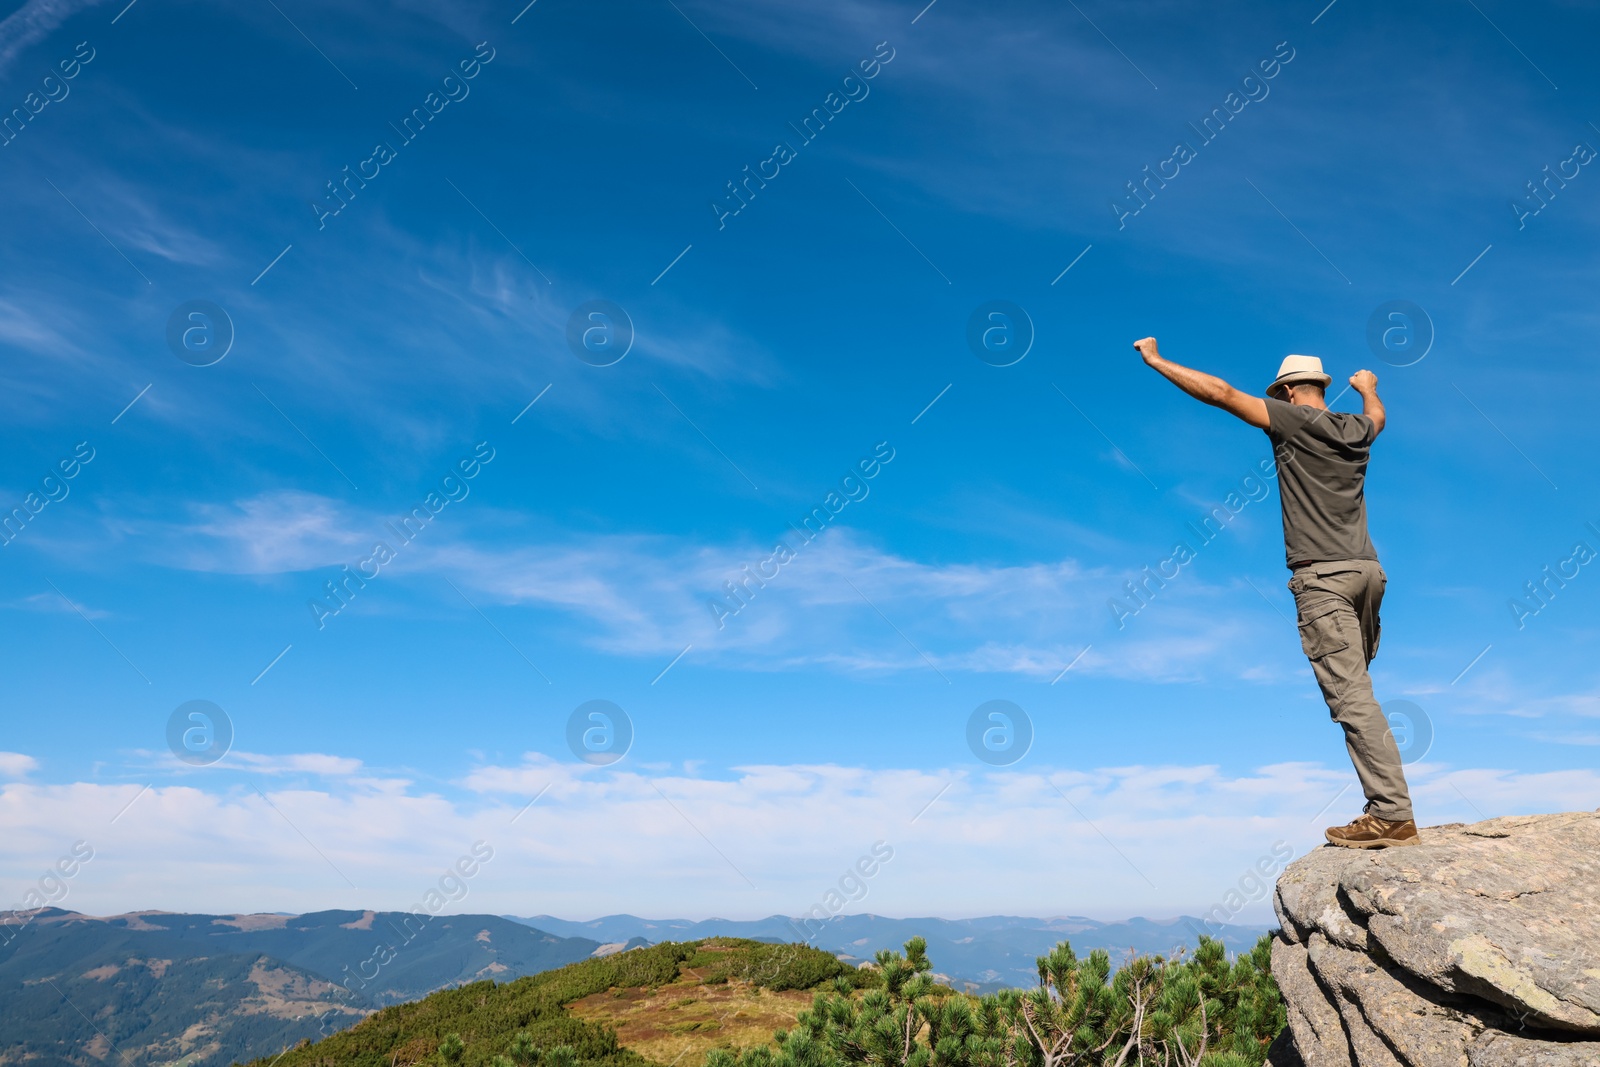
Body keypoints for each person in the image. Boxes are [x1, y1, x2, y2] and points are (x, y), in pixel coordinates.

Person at [1132, 337, 1418, 848]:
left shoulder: (1293, 421)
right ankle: (1388, 803)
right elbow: (1377, 417)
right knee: (1358, 690)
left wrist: (1156, 360)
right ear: (1320, 387)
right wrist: (1369, 387)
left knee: (1352, 698)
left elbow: (1220, 393)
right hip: (1368, 574)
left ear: (1287, 392)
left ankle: (1392, 814)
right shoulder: (1354, 429)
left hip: (1324, 579)